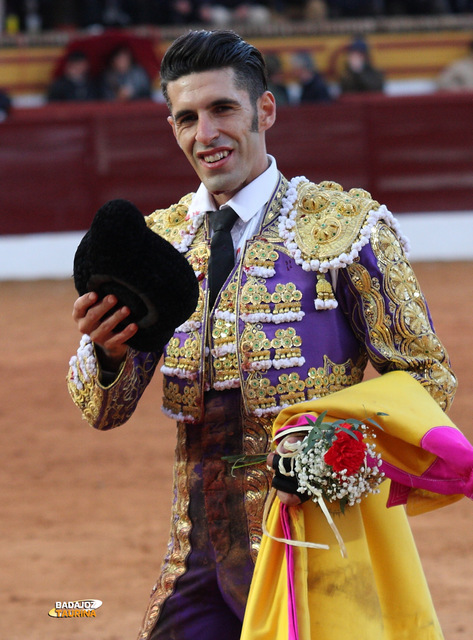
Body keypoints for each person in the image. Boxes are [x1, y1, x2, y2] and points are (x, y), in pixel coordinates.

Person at [67, 29, 462, 640]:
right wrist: (109, 353)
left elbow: (427, 378)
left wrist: (342, 450)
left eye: (223, 109)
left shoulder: (345, 228)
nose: (206, 135)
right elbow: (103, 410)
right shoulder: (158, 243)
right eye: (187, 117)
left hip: (316, 544)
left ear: (265, 110)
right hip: (196, 555)